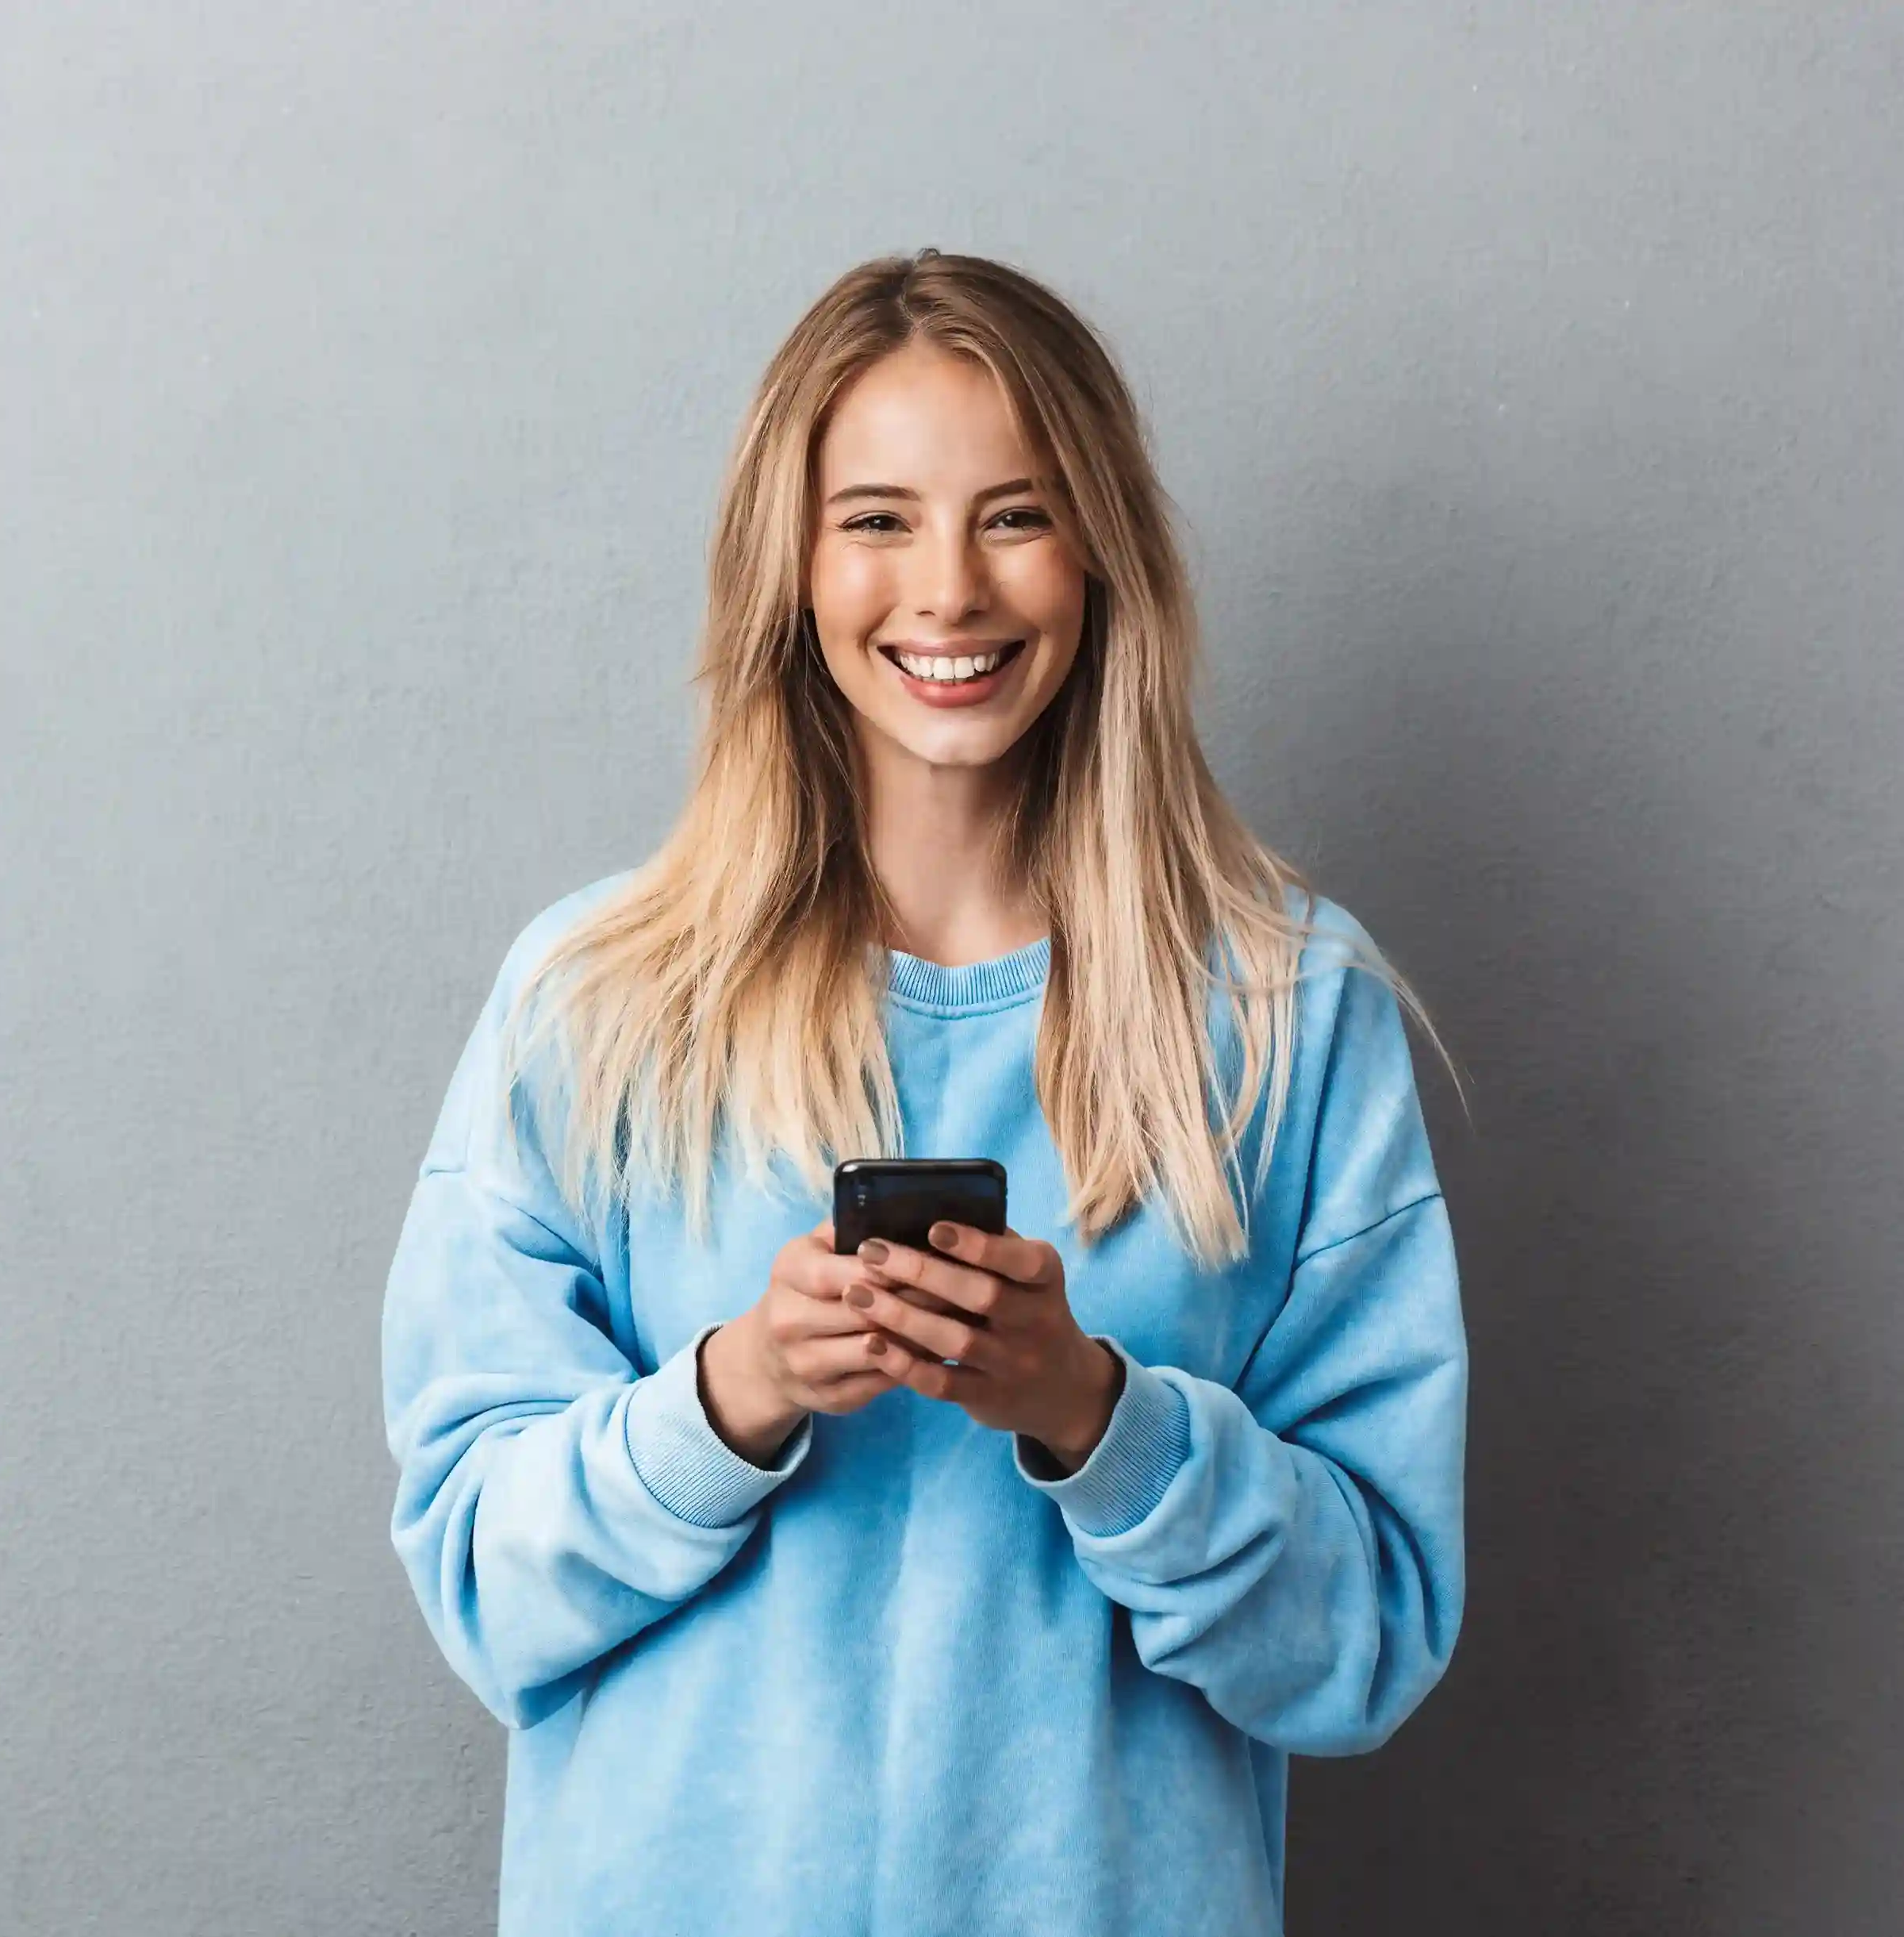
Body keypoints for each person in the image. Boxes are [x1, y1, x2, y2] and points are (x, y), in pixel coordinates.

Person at [380, 247, 1469, 1937]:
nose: (946, 589)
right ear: (791, 564)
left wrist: (1093, 1411)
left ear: (1099, 551)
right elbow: (475, 1573)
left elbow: (1368, 1634)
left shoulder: (1284, 1012)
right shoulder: (595, 1000)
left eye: (1013, 513)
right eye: (876, 517)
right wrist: (730, 1390)